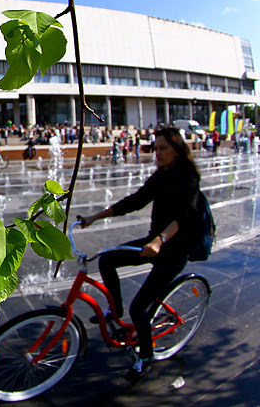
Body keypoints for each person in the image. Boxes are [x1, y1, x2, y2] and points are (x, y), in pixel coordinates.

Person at [78, 127, 201, 382]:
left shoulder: (188, 177)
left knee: (140, 309)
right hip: (154, 241)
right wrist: (94, 217)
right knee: (108, 259)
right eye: (155, 148)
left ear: (177, 150)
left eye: (163, 148)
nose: (157, 152)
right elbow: (135, 201)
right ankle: (116, 308)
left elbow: (184, 216)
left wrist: (160, 239)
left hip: (174, 249)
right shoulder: (161, 175)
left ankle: (145, 357)